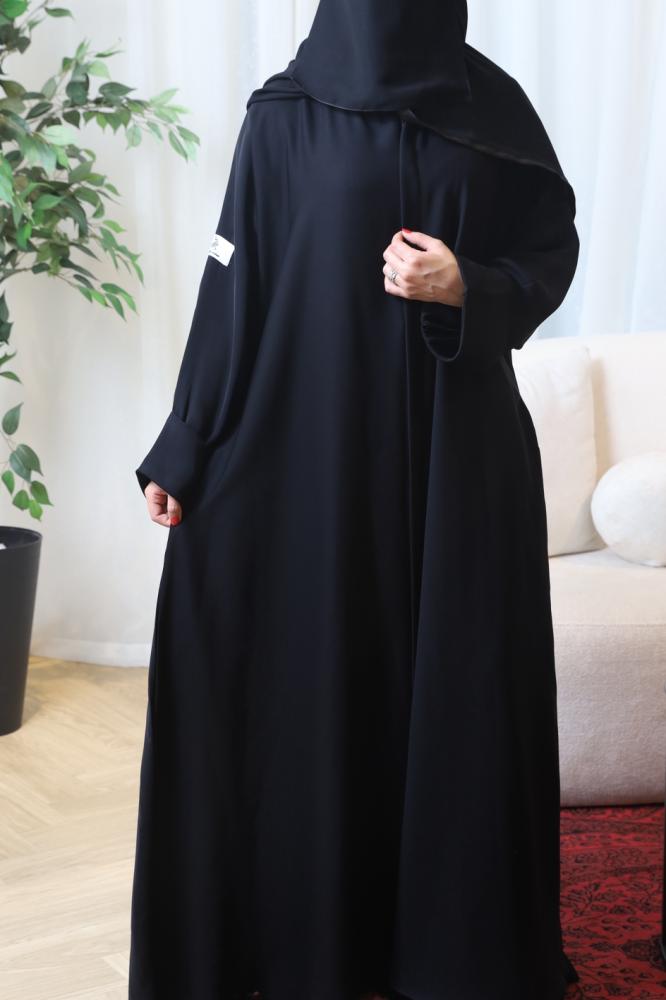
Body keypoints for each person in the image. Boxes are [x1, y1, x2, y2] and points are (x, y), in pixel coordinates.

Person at [129, 2, 581, 999]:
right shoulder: (284, 117)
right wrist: (187, 445)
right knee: (320, 682)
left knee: (458, 696)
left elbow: (550, 254)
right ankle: (314, 941)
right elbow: (234, 282)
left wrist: (469, 285)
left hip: (462, 466)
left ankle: (449, 954)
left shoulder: (493, 108)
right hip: (311, 456)